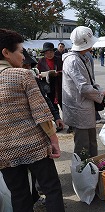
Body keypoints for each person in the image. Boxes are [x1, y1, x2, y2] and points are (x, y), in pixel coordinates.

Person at [0, 28, 64, 211]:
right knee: (51, 189)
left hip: (3, 151)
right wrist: (54, 140)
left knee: (19, 194)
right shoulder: (23, 75)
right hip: (33, 145)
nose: (23, 57)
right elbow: (41, 112)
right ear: (6, 52)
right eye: (20, 52)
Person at [62, 26, 105, 158]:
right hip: (79, 108)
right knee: (83, 145)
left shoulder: (83, 57)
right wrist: (101, 94)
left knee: (91, 141)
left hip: (85, 107)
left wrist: (101, 90)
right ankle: (83, 174)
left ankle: (93, 168)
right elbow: (84, 87)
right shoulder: (73, 60)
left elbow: (91, 81)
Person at [37, 42, 63, 116]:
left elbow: (65, 71)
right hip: (48, 85)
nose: (49, 54)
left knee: (63, 104)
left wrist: (58, 73)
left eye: (51, 52)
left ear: (54, 52)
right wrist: (41, 75)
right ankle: (58, 122)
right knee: (52, 105)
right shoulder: (41, 61)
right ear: (44, 53)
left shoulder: (59, 60)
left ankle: (70, 122)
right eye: (47, 52)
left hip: (59, 84)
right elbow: (38, 72)